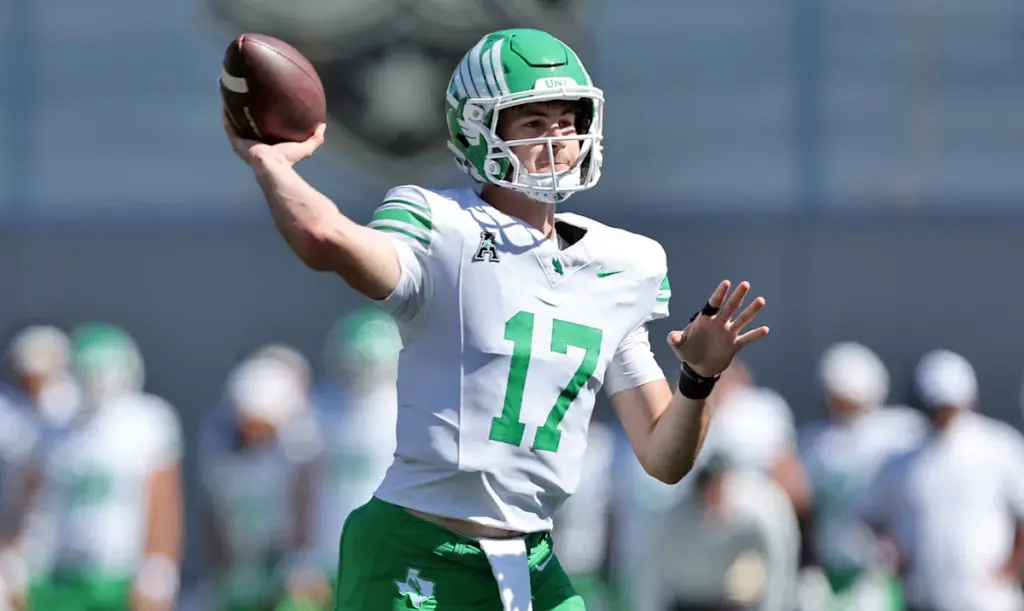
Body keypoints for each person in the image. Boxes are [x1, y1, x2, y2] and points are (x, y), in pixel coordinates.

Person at [224, 27, 770, 611]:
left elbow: (665, 459)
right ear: (478, 130)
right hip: (416, 549)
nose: (558, 139)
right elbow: (323, 238)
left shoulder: (622, 265)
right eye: (533, 122)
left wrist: (699, 380)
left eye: (567, 120)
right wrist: (270, 164)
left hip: (530, 561)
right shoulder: (441, 226)